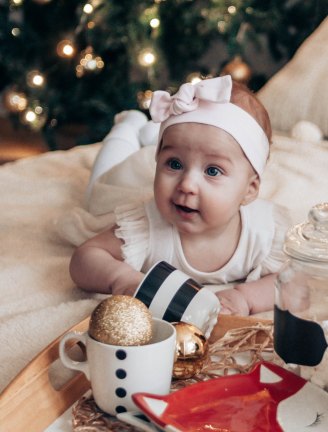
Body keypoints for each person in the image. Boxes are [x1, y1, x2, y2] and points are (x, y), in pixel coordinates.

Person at [70, 75, 290, 316]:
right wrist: (122, 278)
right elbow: (85, 257)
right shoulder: (145, 227)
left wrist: (246, 297)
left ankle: (149, 135)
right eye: (174, 164)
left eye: (212, 170)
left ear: (249, 190)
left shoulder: (263, 231)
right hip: (121, 180)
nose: (187, 185)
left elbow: (296, 276)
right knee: (102, 182)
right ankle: (126, 126)